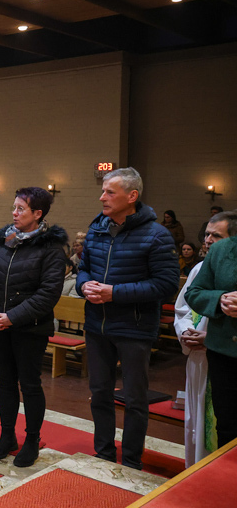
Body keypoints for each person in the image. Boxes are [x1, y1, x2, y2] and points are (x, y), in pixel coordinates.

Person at [77, 167, 179, 470]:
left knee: (135, 398)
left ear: (132, 196)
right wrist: (84, 285)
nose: (102, 197)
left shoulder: (156, 235)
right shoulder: (97, 228)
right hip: (97, 325)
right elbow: (83, 268)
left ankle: (132, 459)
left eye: (110, 192)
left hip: (134, 327)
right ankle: (104, 453)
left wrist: (115, 293)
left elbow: (166, 285)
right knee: (99, 393)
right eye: (103, 191)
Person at [0, 187, 67, 467]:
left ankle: (31, 440)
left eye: (20, 209)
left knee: (29, 384)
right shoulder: (3, 241)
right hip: (0, 325)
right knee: (5, 382)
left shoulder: (51, 248)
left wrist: (12, 317)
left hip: (30, 327)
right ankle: (7, 436)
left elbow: (48, 294)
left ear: (37, 214)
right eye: (13, 207)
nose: (14, 213)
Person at [174, 210, 236, 466]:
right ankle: (204, 473)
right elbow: (184, 306)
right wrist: (186, 332)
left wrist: (209, 335)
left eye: (216, 236)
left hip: (221, 347)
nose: (208, 240)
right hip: (209, 356)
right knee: (209, 423)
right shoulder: (203, 266)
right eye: (207, 235)